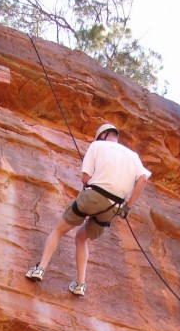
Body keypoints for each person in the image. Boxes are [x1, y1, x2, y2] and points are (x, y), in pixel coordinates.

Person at [25, 122, 151, 297]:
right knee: (81, 238)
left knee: (59, 230)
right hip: (113, 206)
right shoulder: (134, 156)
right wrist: (128, 207)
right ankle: (80, 285)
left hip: (93, 196)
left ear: (102, 135)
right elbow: (143, 180)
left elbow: (85, 178)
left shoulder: (97, 145)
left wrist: (91, 181)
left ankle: (40, 269)